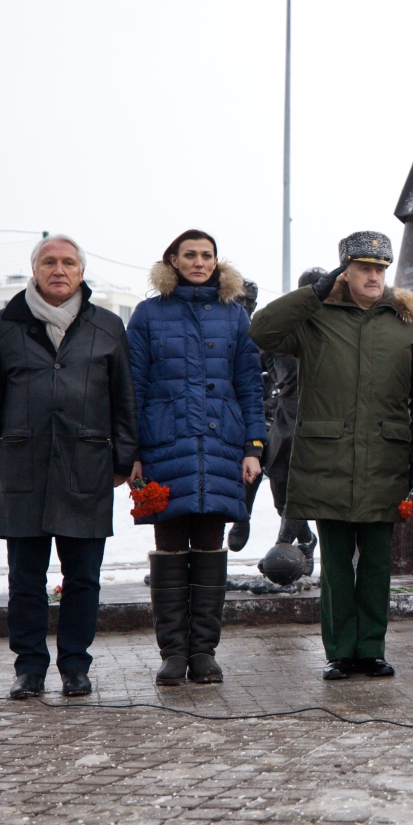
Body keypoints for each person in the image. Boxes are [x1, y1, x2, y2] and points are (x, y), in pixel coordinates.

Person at [251, 232, 413, 680]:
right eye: (364, 268)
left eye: (380, 268)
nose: (374, 276)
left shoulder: (405, 322)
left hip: (385, 458)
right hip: (327, 458)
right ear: (345, 271)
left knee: (375, 562)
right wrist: (312, 293)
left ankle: (370, 648)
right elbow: (262, 329)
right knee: (336, 564)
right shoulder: (316, 318)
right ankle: (339, 650)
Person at [0, 234, 137, 700]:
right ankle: (29, 668)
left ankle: (74, 666)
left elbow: (125, 400)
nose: (59, 269)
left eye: (68, 262)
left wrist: (123, 460)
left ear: (82, 272)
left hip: (88, 468)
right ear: (35, 269)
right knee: (25, 578)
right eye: (50, 262)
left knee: (83, 577)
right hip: (22, 468)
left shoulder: (107, 326)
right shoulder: (5, 325)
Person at [127, 230, 267, 686]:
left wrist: (252, 447)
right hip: (164, 446)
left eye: (207, 255)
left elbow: (250, 385)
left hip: (222, 447)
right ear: (172, 259)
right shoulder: (148, 314)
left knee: (210, 546)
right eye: (190, 255)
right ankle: (172, 654)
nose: (200, 262)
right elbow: (132, 387)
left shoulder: (235, 315)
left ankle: (204, 653)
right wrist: (132, 453)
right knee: (168, 549)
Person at [230, 269, 321, 564]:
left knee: (294, 485)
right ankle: (296, 537)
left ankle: (286, 544)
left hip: (319, 416)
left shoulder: (331, 329)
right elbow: (256, 374)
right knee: (271, 476)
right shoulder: (281, 329)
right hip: (283, 414)